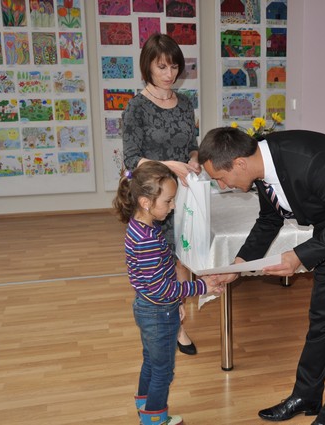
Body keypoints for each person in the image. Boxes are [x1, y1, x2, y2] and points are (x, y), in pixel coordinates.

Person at [198, 127, 325, 425]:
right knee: (321, 317)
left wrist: (299, 255)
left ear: (239, 163)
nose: (221, 186)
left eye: (220, 178)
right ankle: (306, 395)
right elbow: (269, 219)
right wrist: (238, 265)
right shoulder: (261, 166)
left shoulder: (311, 160)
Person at [113, 161, 223, 425]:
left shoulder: (140, 226)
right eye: (168, 201)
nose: (173, 206)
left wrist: (176, 303)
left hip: (150, 306)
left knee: (151, 361)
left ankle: (144, 405)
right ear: (146, 202)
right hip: (157, 312)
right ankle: (154, 419)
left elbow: (159, 281)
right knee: (163, 371)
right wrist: (202, 286)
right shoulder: (148, 240)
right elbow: (163, 288)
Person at [122, 32, 200, 356]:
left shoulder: (186, 104)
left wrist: (194, 160)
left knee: (183, 259)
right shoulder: (136, 107)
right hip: (154, 197)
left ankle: (177, 321)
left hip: (184, 195)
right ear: (148, 67)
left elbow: (192, 145)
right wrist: (168, 165)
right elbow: (131, 159)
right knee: (159, 265)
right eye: (162, 67)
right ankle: (170, 325)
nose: (169, 74)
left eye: (174, 67)